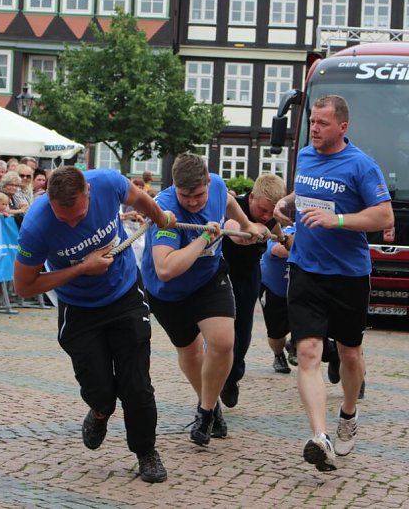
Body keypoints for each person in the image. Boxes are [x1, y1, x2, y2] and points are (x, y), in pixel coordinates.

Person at [13, 165, 174, 483]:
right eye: (64, 219)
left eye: (78, 216)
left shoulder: (107, 183)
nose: (72, 222)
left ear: (88, 191)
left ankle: (146, 451)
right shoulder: (36, 225)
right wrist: (82, 269)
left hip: (124, 293)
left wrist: (158, 216)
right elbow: (24, 286)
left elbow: (140, 198)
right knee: (99, 386)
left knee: (136, 383)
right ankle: (100, 410)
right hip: (80, 307)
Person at [273, 95, 393, 472]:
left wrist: (337, 221)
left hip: (348, 276)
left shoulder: (361, 165)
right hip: (306, 270)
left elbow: (383, 215)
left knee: (350, 355)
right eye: (312, 121)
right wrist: (288, 202)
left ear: (342, 127)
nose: (315, 128)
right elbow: (310, 190)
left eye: (323, 123)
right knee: (307, 354)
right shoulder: (307, 156)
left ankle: (349, 413)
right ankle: (319, 437)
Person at [141, 153, 262, 447]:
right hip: (168, 293)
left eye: (198, 195)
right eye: (186, 196)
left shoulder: (218, 185)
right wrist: (204, 239)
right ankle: (210, 404)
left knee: (223, 343)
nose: (193, 202)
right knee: (190, 351)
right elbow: (166, 268)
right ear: (175, 189)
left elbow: (229, 203)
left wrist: (244, 225)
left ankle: (205, 412)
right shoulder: (165, 210)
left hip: (209, 279)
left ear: (208, 181)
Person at [219, 173, 286, 407]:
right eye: (263, 209)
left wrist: (282, 237)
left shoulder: (272, 217)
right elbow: (234, 232)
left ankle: (232, 377)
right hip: (223, 275)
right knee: (221, 333)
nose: (266, 215)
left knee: (243, 332)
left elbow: (281, 234)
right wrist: (257, 227)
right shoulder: (234, 206)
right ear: (252, 197)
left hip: (249, 277)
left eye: (271, 212)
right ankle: (215, 381)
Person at [259, 226, 295, 373]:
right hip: (273, 288)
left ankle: (296, 345)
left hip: (298, 291)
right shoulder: (285, 232)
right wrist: (305, 251)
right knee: (276, 332)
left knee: (305, 322)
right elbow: (275, 250)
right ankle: (278, 355)